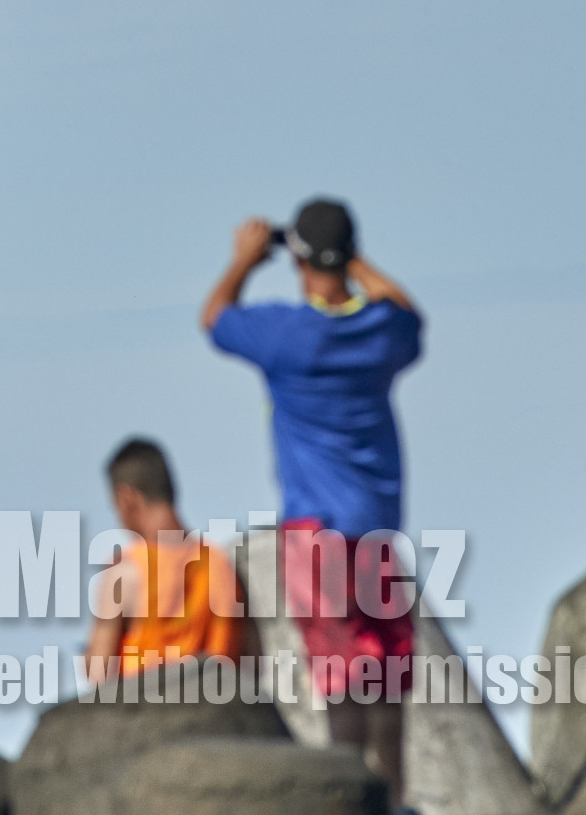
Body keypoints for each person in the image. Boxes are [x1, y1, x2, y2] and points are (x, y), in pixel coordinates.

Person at [199, 199, 422, 812]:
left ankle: (354, 792)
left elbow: (216, 319)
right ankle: (397, 795)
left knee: (341, 672)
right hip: (377, 531)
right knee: (387, 674)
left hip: (315, 533)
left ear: (296, 259)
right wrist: (353, 261)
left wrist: (244, 260)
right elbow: (409, 313)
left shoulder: (285, 336)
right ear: (347, 254)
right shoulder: (380, 332)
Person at [83, 438, 246, 681]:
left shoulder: (127, 571)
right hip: (219, 711)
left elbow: (99, 676)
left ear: (127, 498)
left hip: (146, 714)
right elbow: (251, 660)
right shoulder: (220, 565)